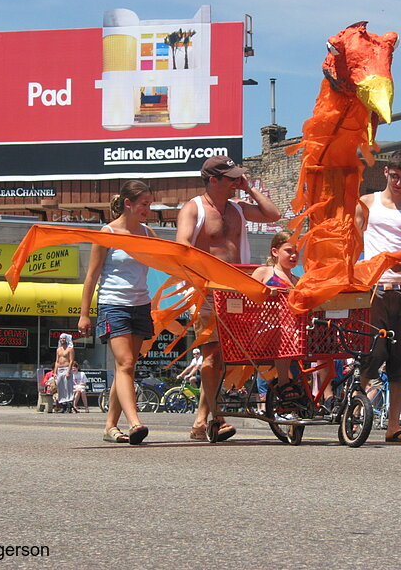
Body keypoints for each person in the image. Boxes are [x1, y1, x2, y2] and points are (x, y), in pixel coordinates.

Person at [175, 155, 280, 442]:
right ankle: (217, 417)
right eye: (231, 178)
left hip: (235, 291)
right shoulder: (193, 208)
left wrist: (249, 188)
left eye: (238, 177)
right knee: (210, 356)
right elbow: (182, 245)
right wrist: (204, 275)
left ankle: (200, 421)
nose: (236, 181)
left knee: (223, 359)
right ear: (213, 180)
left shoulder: (238, 208)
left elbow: (273, 215)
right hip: (206, 290)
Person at [355, 149, 401, 443]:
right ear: (385, 172)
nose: (399, 182)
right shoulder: (367, 203)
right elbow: (351, 241)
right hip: (375, 287)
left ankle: (394, 425)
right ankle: (356, 412)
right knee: (371, 351)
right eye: (395, 176)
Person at [79, 180, 157, 445]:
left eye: (149, 204)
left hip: (140, 304)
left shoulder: (148, 233)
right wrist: (84, 314)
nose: (148, 209)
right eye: (144, 204)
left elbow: (168, 260)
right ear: (128, 203)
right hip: (113, 304)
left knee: (127, 368)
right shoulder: (107, 233)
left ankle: (110, 426)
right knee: (126, 364)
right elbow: (91, 276)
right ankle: (135, 423)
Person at [251, 230, 302, 399]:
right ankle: (283, 382)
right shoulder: (264, 272)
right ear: (275, 252)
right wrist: (265, 294)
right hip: (263, 331)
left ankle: (326, 392)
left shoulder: (297, 281)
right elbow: (247, 301)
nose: (294, 255)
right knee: (284, 331)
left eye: (297, 252)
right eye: (289, 251)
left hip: (291, 334)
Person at [54, 333, 75, 413]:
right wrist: (55, 372)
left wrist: (69, 371)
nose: (62, 340)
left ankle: (69, 405)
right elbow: (57, 361)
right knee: (61, 387)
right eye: (61, 338)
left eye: (64, 338)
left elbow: (71, 360)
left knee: (67, 387)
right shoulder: (58, 349)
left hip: (67, 368)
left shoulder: (70, 349)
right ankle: (63, 405)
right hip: (60, 369)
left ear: (67, 339)